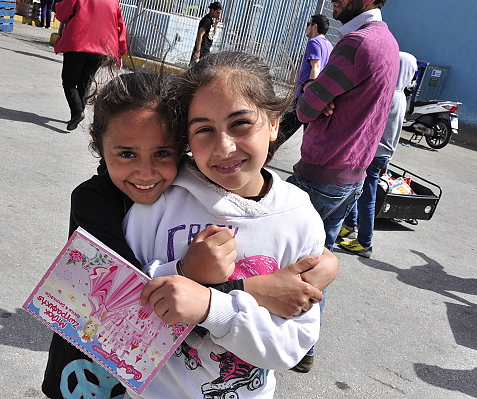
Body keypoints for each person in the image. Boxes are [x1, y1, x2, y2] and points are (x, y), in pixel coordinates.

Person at [42, 69, 338, 398]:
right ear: (99, 144)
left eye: (163, 153)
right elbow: (109, 304)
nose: (145, 173)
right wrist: (240, 287)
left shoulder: (289, 213)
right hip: (90, 377)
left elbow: (292, 338)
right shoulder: (104, 202)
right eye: (126, 153)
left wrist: (325, 260)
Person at [123, 51, 329, 399]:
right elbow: (114, 311)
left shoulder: (299, 218)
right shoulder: (158, 202)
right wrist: (186, 272)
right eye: (204, 129)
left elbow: (291, 346)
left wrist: (211, 307)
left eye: (241, 123)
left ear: (275, 122)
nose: (224, 146)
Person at [287, 0, 399, 251]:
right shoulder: (388, 41)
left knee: (284, 259)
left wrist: (310, 92)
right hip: (352, 174)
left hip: (322, 174)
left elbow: (305, 110)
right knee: (317, 263)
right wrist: (320, 96)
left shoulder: (357, 42)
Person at [338, 52, 418, 258]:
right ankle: (350, 225)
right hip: (382, 153)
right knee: (358, 190)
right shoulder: (401, 97)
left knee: (365, 197)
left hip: (372, 152)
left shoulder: (389, 95)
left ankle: (365, 242)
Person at [54, 0, 127, 131]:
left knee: (69, 80)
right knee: (86, 80)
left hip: (77, 42)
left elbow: (62, 14)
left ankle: (77, 112)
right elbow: (120, 27)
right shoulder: (113, 2)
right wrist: (120, 53)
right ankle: (78, 111)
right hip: (102, 46)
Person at [278, 14, 333, 147]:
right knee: (309, 138)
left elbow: (316, 66)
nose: (306, 27)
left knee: (281, 132)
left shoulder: (314, 42)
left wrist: (310, 92)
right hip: (317, 99)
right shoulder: (329, 46)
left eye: (308, 24)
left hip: (304, 97)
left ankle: (260, 159)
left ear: (315, 26)